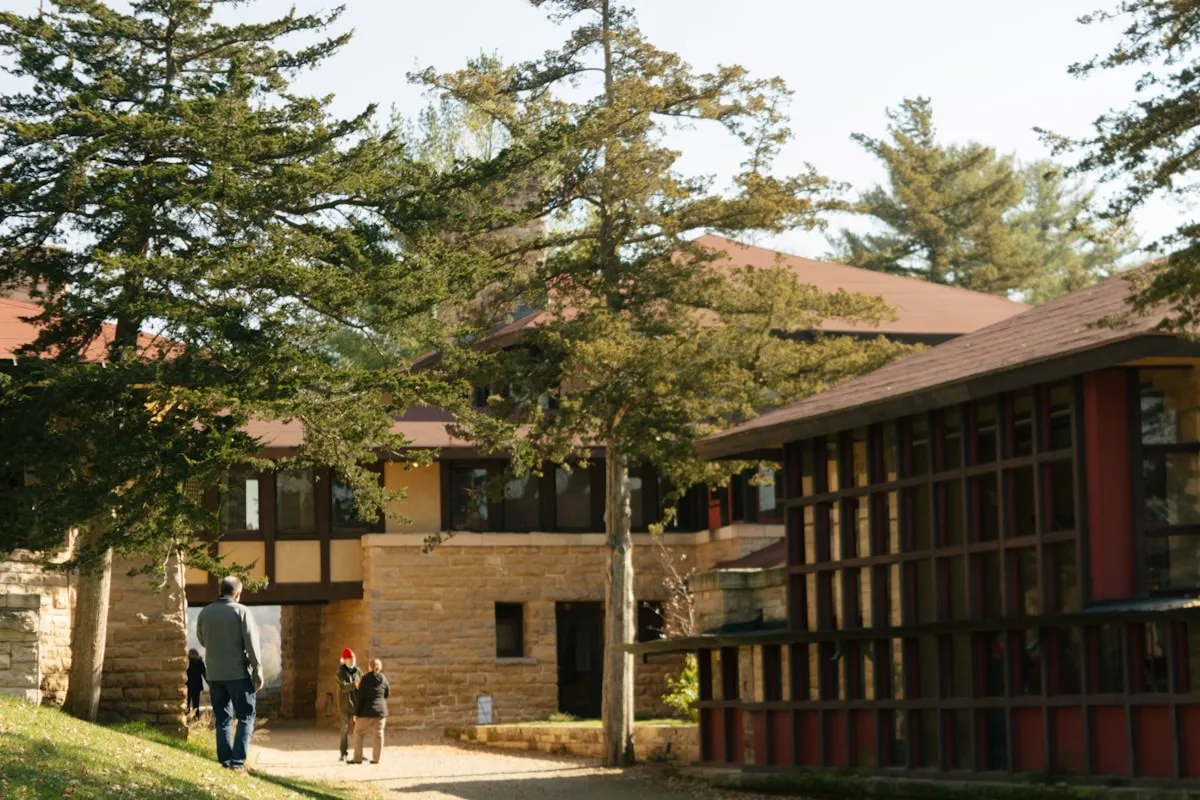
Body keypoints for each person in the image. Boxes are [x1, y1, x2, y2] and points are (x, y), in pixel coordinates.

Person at [196, 576, 263, 771]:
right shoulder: (241, 611)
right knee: (246, 716)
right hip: (238, 674)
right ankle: (238, 762)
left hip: (215, 674)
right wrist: (257, 673)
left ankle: (225, 761)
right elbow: (252, 645)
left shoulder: (205, 612)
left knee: (222, 718)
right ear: (237, 593)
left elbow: (202, 640)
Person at [349, 658, 389, 765]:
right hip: (380, 712)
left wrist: (356, 713)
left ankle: (357, 758)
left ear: (369, 667)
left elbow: (360, 698)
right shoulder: (384, 679)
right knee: (379, 734)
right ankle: (376, 759)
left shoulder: (365, 679)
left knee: (358, 732)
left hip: (366, 712)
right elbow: (386, 694)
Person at [336, 648, 361, 762]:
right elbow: (343, 687)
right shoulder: (340, 672)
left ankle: (358, 753)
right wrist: (354, 685)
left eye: (353, 658)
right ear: (344, 660)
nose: (352, 660)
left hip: (356, 705)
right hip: (345, 705)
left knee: (358, 730)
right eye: (350, 658)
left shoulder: (358, 671)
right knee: (344, 730)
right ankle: (343, 752)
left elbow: (362, 685)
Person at [186, 648, 207, 719]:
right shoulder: (199, 662)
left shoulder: (187, 662)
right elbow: (204, 674)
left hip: (188, 685)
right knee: (196, 704)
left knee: (187, 703)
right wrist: (210, 684)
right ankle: (196, 718)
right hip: (197, 686)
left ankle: (187, 717)